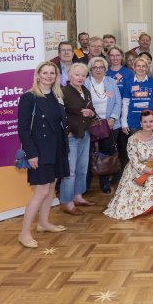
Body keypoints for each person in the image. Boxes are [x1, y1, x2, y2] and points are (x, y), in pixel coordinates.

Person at [16, 62, 69, 248]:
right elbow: (22, 129)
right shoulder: (29, 98)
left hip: (57, 149)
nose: (48, 76)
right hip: (39, 151)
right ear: (37, 75)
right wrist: (31, 154)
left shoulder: (57, 95)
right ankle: (24, 233)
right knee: (41, 191)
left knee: (51, 187)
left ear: (56, 76)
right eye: (44, 73)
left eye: (52, 73)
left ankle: (44, 223)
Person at [104, 110, 153, 219]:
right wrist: (148, 171)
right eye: (145, 122)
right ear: (141, 123)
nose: (148, 124)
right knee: (141, 188)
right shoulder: (132, 139)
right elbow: (134, 161)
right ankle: (145, 205)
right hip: (136, 170)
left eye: (151, 121)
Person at [60, 63, 97, 215]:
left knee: (82, 168)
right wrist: (67, 130)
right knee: (70, 171)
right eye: (77, 75)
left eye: (83, 75)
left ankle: (78, 196)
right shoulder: (63, 92)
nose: (80, 78)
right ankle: (67, 202)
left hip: (85, 134)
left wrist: (91, 114)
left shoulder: (86, 91)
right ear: (69, 76)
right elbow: (60, 116)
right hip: (71, 136)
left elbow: (92, 110)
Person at [85, 57, 122, 194]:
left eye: (101, 67)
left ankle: (104, 183)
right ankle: (86, 183)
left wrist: (113, 118)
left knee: (106, 154)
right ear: (91, 70)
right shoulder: (85, 82)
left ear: (105, 69)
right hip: (91, 124)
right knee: (89, 154)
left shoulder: (111, 82)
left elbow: (118, 102)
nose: (98, 70)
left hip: (109, 124)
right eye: (95, 67)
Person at [121, 57, 153, 170]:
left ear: (147, 68)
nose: (141, 68)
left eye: (143, 66)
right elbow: (125, 103)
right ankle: (138, 172)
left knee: (150, 149)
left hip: (150, 122)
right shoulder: (128, 82)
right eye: (138, 66)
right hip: (133, 121)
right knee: (136, 150)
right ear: (134, 67)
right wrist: (124, 122)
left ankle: (150, 172)